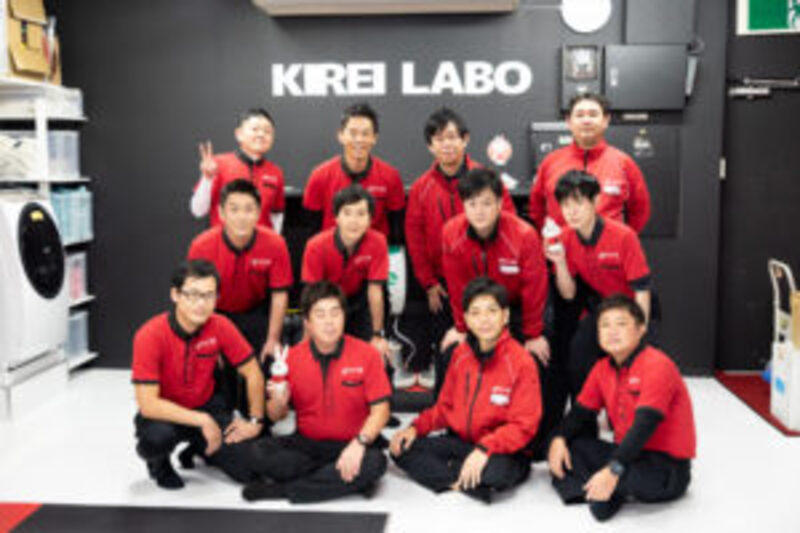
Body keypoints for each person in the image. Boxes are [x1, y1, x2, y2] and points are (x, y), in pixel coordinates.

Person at [390, 277, 541, 503]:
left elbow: (523, 426)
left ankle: (452, 475)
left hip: (501, 450)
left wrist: (485, 448)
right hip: (462, 443)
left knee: (496, 473)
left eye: (491, 311)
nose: (484, 319)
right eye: (476, 313)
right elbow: (444, 408)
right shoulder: (460, 355)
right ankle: (465, 481)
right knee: (400, 448)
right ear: (467, 319)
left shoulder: (521, 361)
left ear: (505, 316)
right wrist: (415, 428)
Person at [548, 294, 695, 521]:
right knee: (571, 449)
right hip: (627, 454)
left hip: (664, 467)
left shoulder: (657, 365)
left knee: (608, 477)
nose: (612, 331)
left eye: (621, 324)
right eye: (605, 325)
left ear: (641, 329)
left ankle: (600, 489)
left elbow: (644, 427)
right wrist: (558, 439)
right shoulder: (601, 368)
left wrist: (613, 469)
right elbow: (578, 414)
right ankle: (605, 491)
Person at [242, 281, 391, 503]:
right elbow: (275, 415)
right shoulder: (290, 358)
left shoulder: (367, 355)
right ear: (307, 323)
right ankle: (337, 479)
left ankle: (285, 490)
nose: (329, 322)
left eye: (335, 313)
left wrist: (359, 444)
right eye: (320, 315)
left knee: (376, 463)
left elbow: (382, 411)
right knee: (257, 452)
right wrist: (279, 402)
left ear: (344, 317)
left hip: (352, 441)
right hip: (307, 445)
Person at [405, 107, 516, 384]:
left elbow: (510, 226)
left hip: (489, 280)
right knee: (450, 353)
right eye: (439, 139)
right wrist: (429, 283)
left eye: (452, 137)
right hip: (444, 287)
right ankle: (447, 406)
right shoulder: (421, 188)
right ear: (430, 146)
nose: (447, 144)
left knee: (496, 352)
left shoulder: (488, 179)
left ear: (465, 139)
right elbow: (415, 239)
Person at [131, 260, 265, 489]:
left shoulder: (220, 325)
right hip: (166, 413)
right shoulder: (149, 335)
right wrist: (202, 420)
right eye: (192, 295)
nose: (201, 304)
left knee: (250, 470)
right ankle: (159, 464)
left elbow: (253, 372)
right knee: (155, 440)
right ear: (175, 295)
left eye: (208, 296)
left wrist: (255, 420)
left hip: (207, 406)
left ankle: (200, 447)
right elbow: (148, 404)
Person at [545, 171, 654, 397]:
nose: (571, 211)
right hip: (601, 308)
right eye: (565, 205)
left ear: (595, 201)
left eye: (578, 203)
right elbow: (568, 294)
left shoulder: (624, 236)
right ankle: (586, 412)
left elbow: (642, 290)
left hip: (634, 307)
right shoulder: (564, 237)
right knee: (577, 361)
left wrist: (638, 330)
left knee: (634, 368)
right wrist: (560, 263)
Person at [529, 93, 651, 233]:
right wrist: (554, 236)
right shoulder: (550, 162)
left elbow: (640, 210)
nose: (586, 121)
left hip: (609, 246)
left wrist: (620, 239)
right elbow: (536, 208)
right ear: (569, 121)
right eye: (580, 115)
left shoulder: (623, 163)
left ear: (605, 120)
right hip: (561, 245)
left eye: (593, 115)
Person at [301, 184, 390, 359]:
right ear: (336, 217)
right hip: (326, 302)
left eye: (361, 214)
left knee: (376, 355)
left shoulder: (378, 242)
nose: (354, 221)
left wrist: (378, 334)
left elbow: (375, 291)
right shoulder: (315, 246)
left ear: (370, 219)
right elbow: (311, 295)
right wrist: (309, 336)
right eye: (347, 213)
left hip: (361, 302)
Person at [302, 102, 405, 243]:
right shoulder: (319, 176)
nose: (359, 140)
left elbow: (397, 231)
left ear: (375, 138)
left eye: (365, 134)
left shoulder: (390, 177)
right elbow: (311, 231)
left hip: (374, 253)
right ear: (340, 135)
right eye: (353, 133)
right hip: (332, 252)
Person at [191, 108, 286, 232]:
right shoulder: (218, 164)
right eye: (255, 129)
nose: (261, 135)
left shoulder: (275, 172)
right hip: (224, 241)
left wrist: (274, 240)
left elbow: (277, 214)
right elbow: (198, 211)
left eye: (267, 131)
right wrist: (207, 179)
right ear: (239, 134)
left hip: (261, 242)